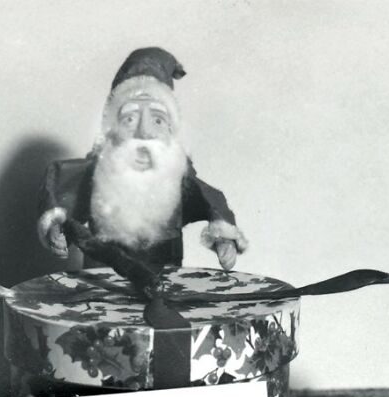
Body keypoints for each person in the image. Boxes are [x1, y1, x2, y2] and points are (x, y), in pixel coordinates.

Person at [37, 47, 248, 271]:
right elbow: (61, 194)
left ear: (171, 129)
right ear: (112, 128)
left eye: (157, 120)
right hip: (102, 278)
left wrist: (224, 240)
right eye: (129, 118)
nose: (144, 131)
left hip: (165, 275)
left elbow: (211, 201)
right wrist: (56, 229)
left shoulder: (176, 176)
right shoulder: (98, 173)